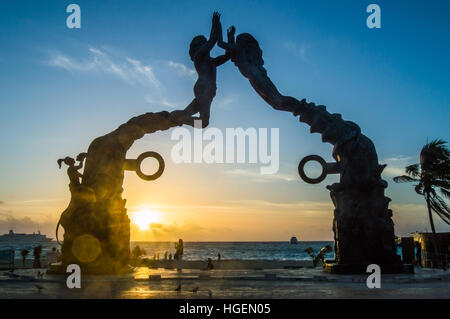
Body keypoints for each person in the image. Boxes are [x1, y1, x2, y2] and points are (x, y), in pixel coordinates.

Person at [217, 23, 301, 113]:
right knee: (276, 104)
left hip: (256, 76)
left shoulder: (241, 50)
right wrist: (231, 37)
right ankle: (301, 110)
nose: (237, 43)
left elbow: (221, 44)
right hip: (253, 78)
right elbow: (230, 52)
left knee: (278, 100)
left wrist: (217, 24)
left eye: (238, 41)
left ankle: (304, 109)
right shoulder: (239, 51)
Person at [171, 12, 230, 128]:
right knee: (203, 122)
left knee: (189, 114)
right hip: (204, 89)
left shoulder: (211, 61)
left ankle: (174, 117)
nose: (206, 45)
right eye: (204, 43)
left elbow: (227, 56)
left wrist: (231, 37)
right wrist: (215, 24)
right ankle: (180, 118)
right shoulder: (199, 56)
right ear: (198, 46)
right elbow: (212, 40)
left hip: (208, 90)